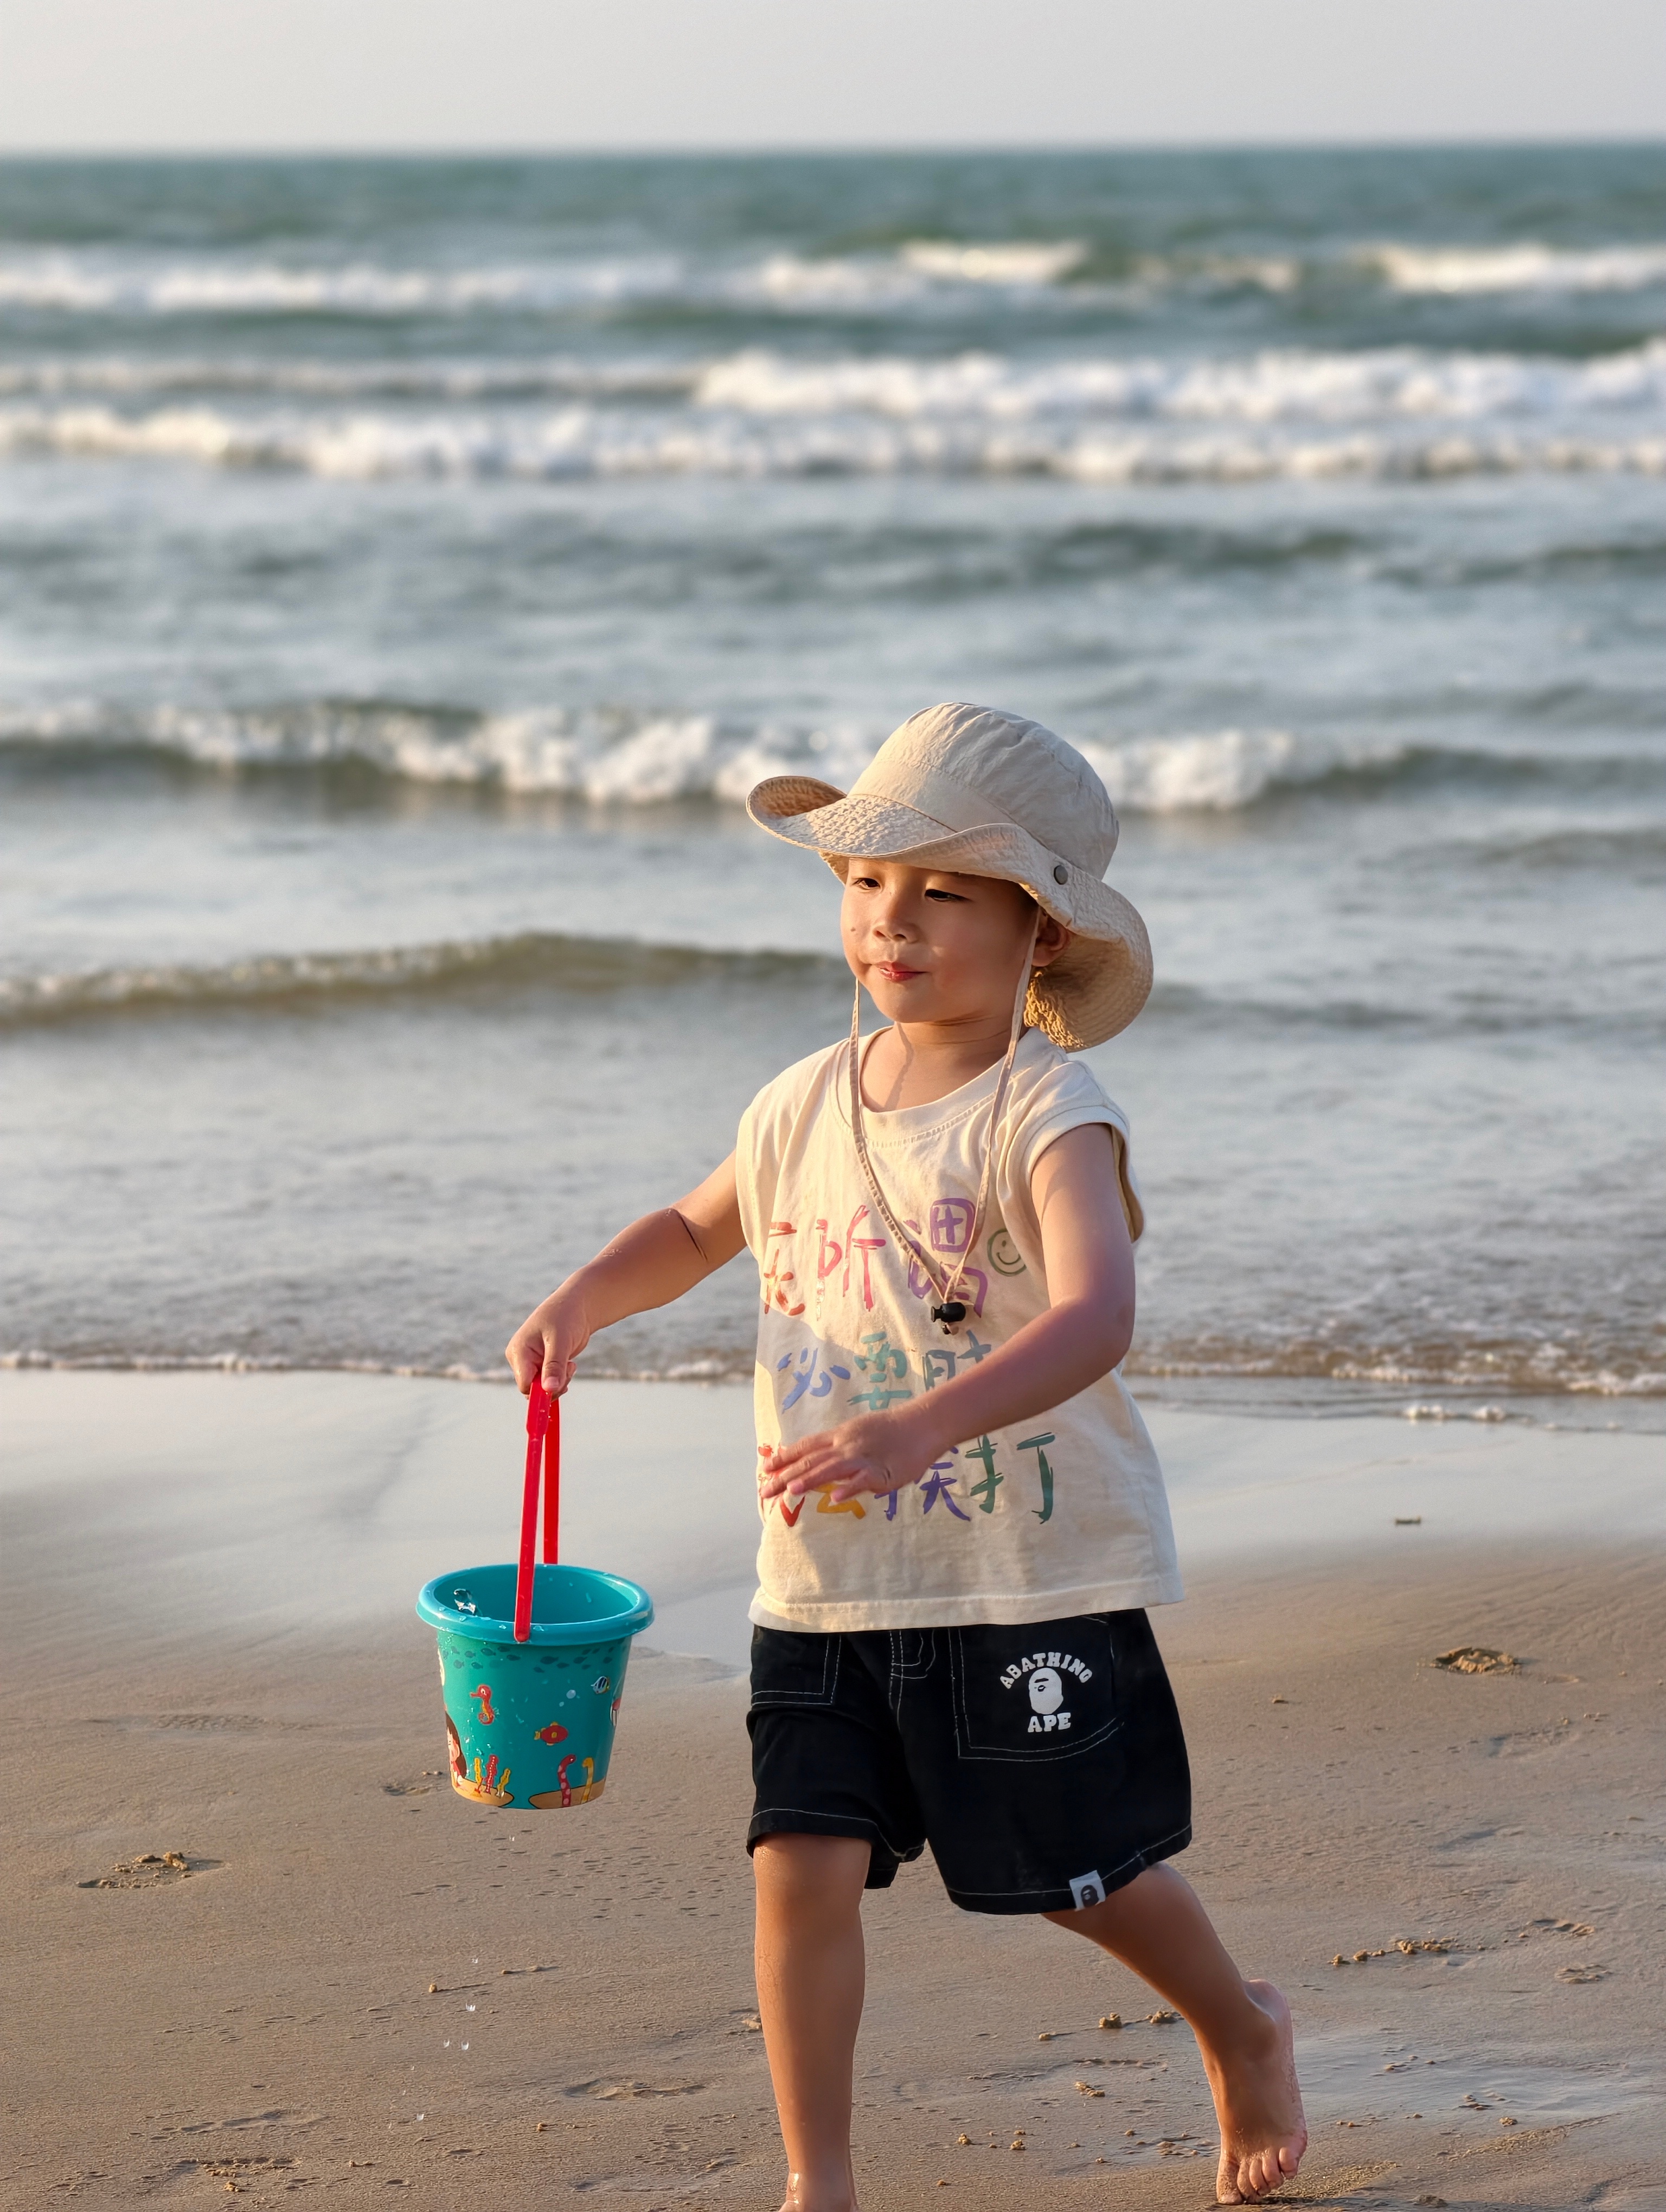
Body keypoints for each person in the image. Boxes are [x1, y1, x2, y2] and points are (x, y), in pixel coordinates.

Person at [507, 702, 1307, 2209]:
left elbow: (1098, 1314)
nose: (892, 919)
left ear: (1042, 934)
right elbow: (693, 1227)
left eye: (943, 890)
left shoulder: (1049, 1111)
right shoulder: (802, 1100)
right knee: (798, 1867)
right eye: (868, 881)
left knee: (1081, 1875)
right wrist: (586, 1298)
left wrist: (922, 1426)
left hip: (1020, 1574)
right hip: (822, 1579)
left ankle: (1240, 2023)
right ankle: (819, 2180)